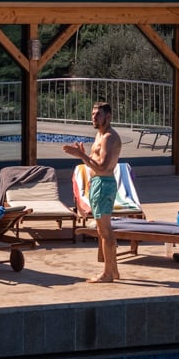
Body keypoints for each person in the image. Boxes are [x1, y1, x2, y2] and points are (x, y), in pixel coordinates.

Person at [63, 101, 122, 283]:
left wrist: (81, 156)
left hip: (103, 184)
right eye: (93, 114)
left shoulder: (108, 138)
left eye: (98, 114)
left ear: (108, 117)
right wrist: (84, 155)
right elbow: (95, 163)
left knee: (105, 231)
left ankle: (108, 273)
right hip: (98, 183)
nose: (94, 117)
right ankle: (113, 271)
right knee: (102, 230)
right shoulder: (100, 135)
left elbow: (103, 167)